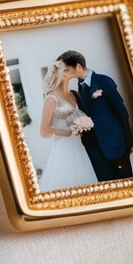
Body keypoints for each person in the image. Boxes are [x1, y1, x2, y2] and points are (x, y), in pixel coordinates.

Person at [57, 49, 133, 182]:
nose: (64, 73)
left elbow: (122, 112)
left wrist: (128, 144)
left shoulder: (104, 81)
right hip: (94, 149)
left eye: (66, 70)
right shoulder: (79, 87)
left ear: (78, 67)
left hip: (115, 144)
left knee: (127, 183)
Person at [38, 60, 98, 192]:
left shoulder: (73, 94)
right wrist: (67, 132)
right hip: (63, 147)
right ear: (62, 74)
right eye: (66, 69)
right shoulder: (51, 98)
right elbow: (43, 130)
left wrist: (81, 126)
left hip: (78, 146)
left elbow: (76, 117)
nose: (71, 69)